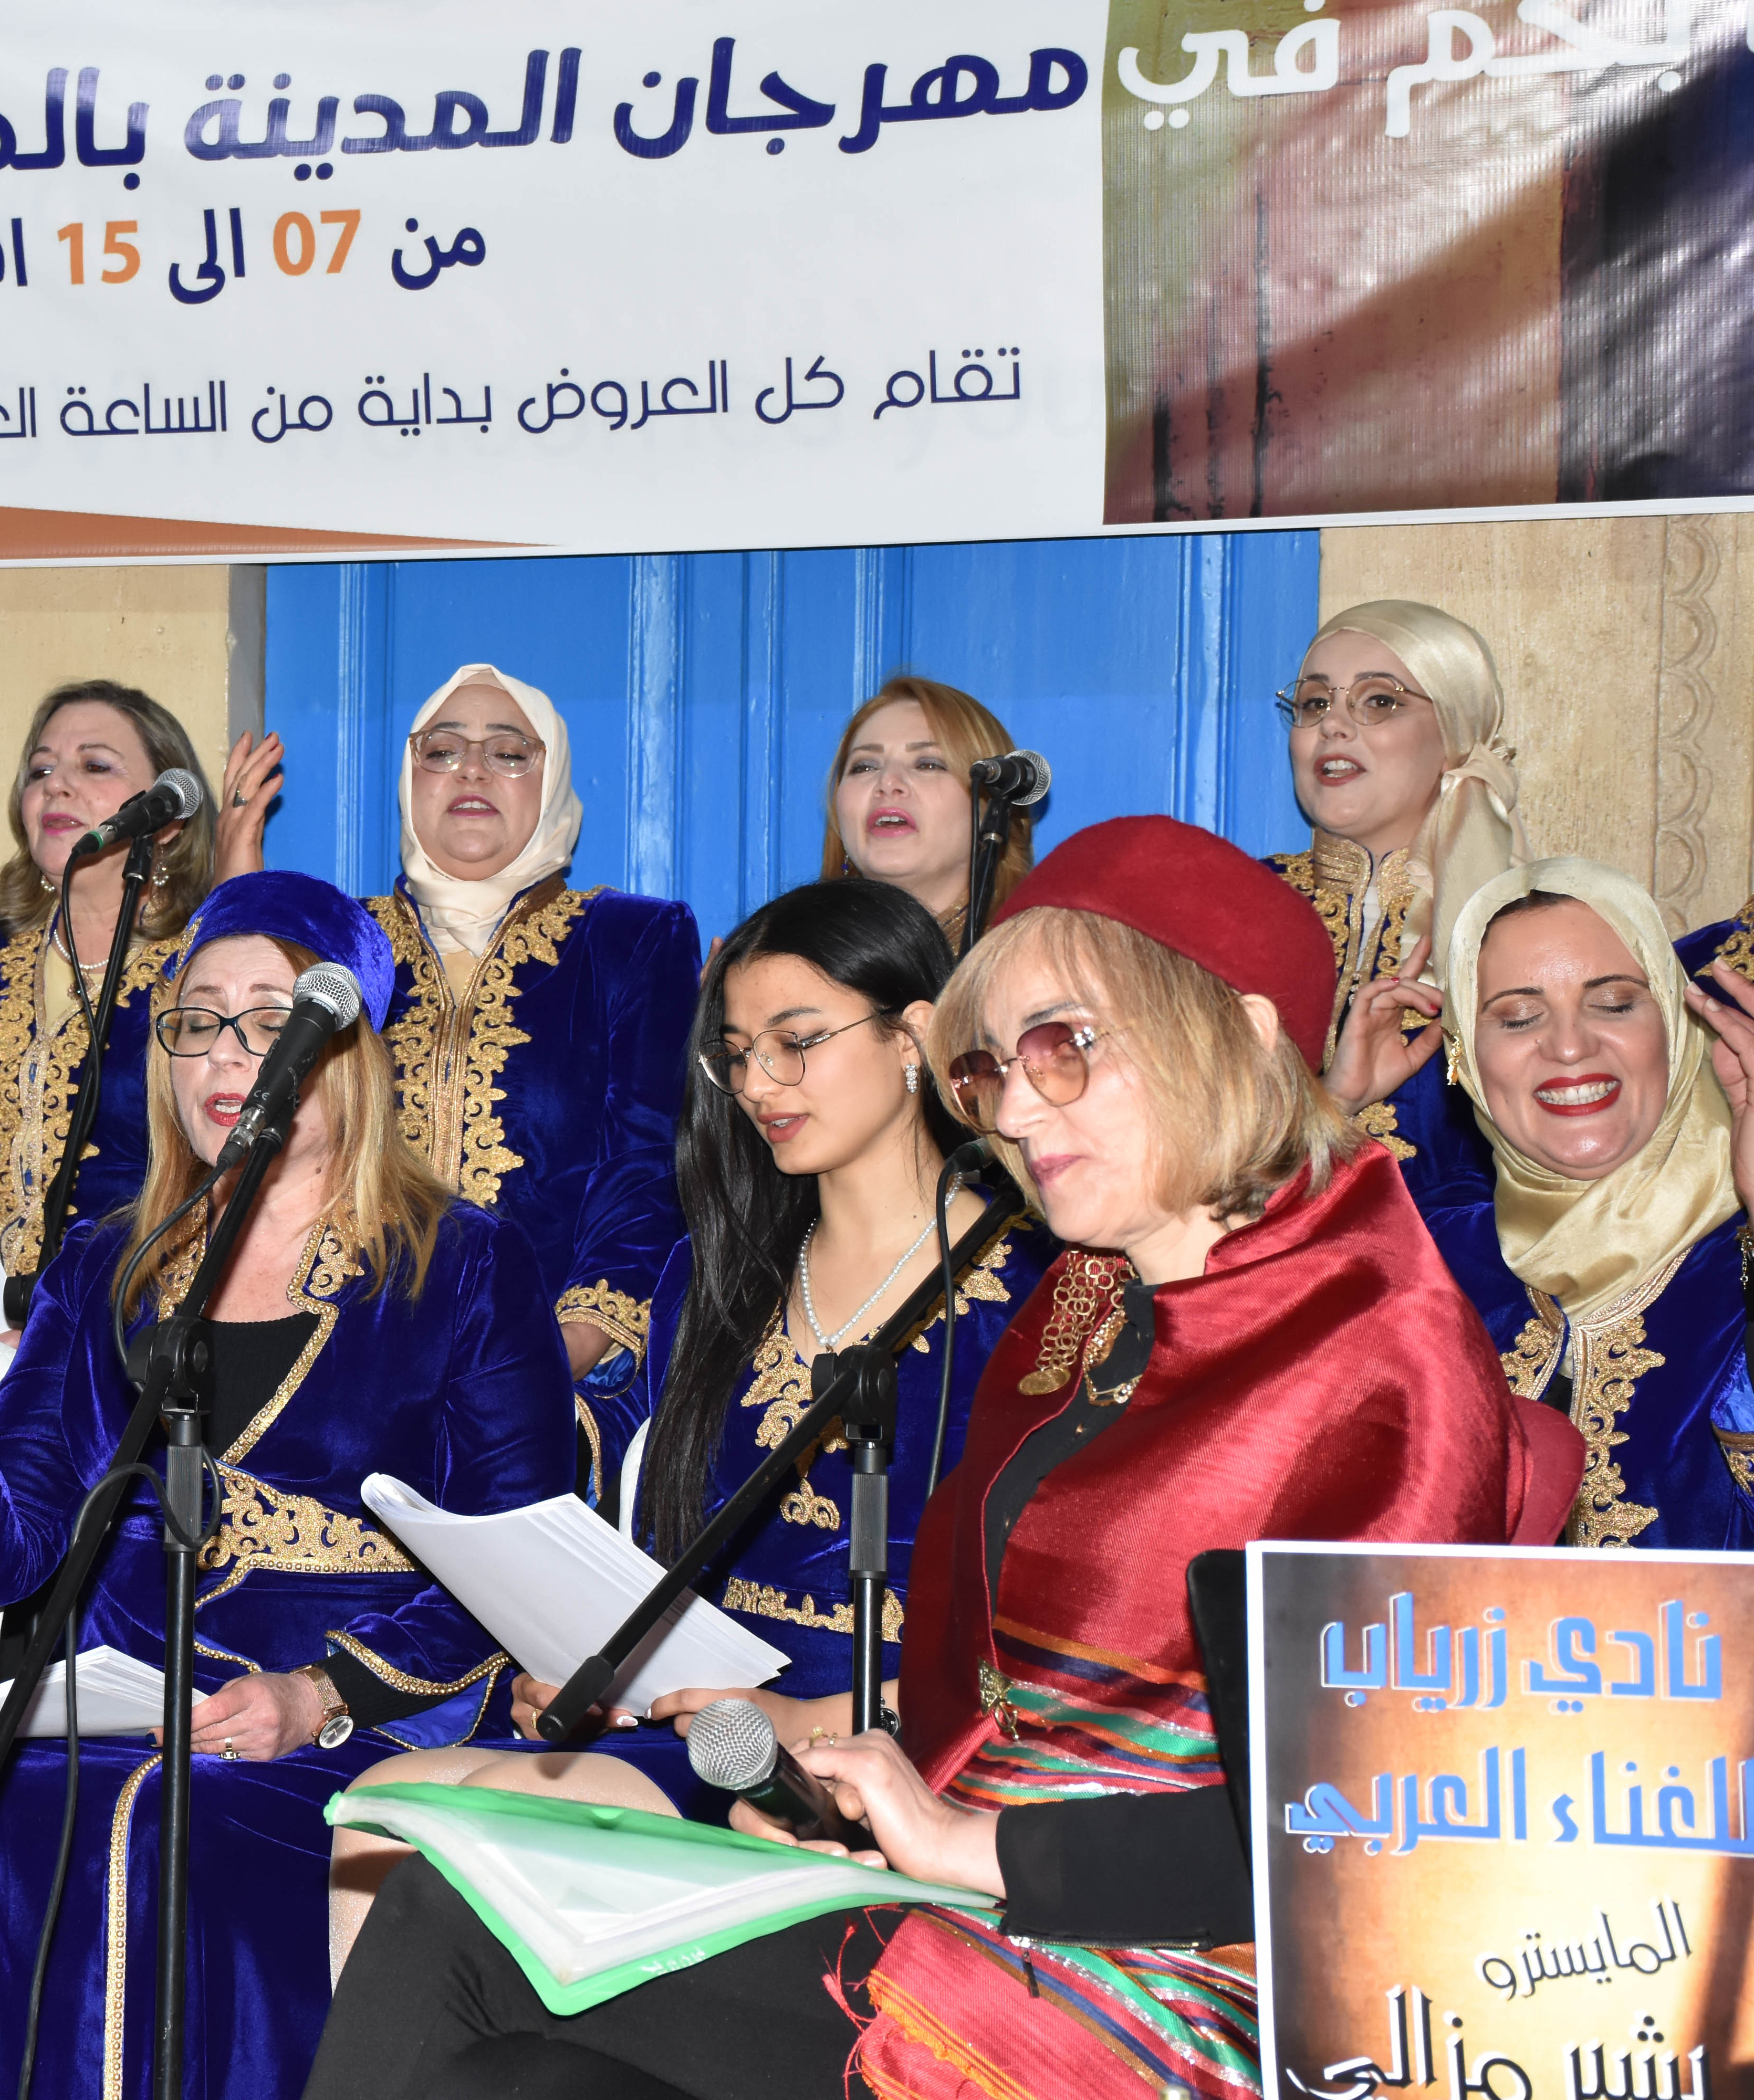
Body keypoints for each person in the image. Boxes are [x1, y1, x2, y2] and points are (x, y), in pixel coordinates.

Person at [308, 816, 1528, 2100]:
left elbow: (1354, 1830)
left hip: (1169, 1985)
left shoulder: (1379, 1352)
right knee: (512, 2047)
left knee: (452, 1923)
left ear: (1241, 1029)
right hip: (978, 1900)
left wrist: (962, 1842)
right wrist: (851, 1794)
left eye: (1065, 1046)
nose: (1019, 1108)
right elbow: (992, 1693)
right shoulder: (1090, 1305)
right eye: (993, 1068)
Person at [0, 870, 578, 2100]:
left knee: (171, 1829)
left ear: (348, 1052)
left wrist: (317, 1693)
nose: (228, 1053)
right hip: (131, 1706)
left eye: (270, 1017)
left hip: (364, 1731)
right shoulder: (110, 1266)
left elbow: (518, 1563)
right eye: (197, 1019)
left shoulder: (463, 1264)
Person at [326, 881, 1055, 1963]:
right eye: (738, 1053)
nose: (759, 1083)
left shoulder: (1036, 1287)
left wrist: (806, 1720)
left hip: (907, 1742)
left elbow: (1053, 1633)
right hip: (708, 1724)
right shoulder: (710, 1276)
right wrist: (597, 1674)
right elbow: (665, 1555)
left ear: (913, 1035)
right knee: (379, 1810)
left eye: (797, 1043)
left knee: (453, 1835)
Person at [362, 665, 698, 1493]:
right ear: (409, 780)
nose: (472, 771)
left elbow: (648, 1169)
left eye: (510, 753)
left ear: (551, 784)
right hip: (351, 1375)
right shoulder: (344, 946)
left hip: (562, 1382)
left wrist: (554, 1352)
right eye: (442, 751)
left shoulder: (628, 942)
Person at [0, 681, 272, 1296]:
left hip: (133, 1310)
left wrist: (241, 901)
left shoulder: (203, 959)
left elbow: (254, 1142)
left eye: (95, 766)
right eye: (41, 770)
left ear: (168, 821)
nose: (56, 786)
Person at [1410, 862, 1754, 1548]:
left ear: (1675, 1024)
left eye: (1615, 1003)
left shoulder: (1735, 1263)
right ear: (1465, 1056)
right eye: (1518, 1017)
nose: (1570, 1046)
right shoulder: (1426, 1263)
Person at [1271, 601, 1527, 1193]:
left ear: (1455, 734)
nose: (1334, 726)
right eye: (1315, 703)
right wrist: (1334, 1101)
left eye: (1380, 701)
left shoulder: (1532, 924)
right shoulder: (1227, 908)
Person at [818, 675, 1034, 947]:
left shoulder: (1038, 957)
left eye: (928, 765)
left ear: (991, 806)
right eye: (865, 767)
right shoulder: (789, 958)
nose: (887, 782)